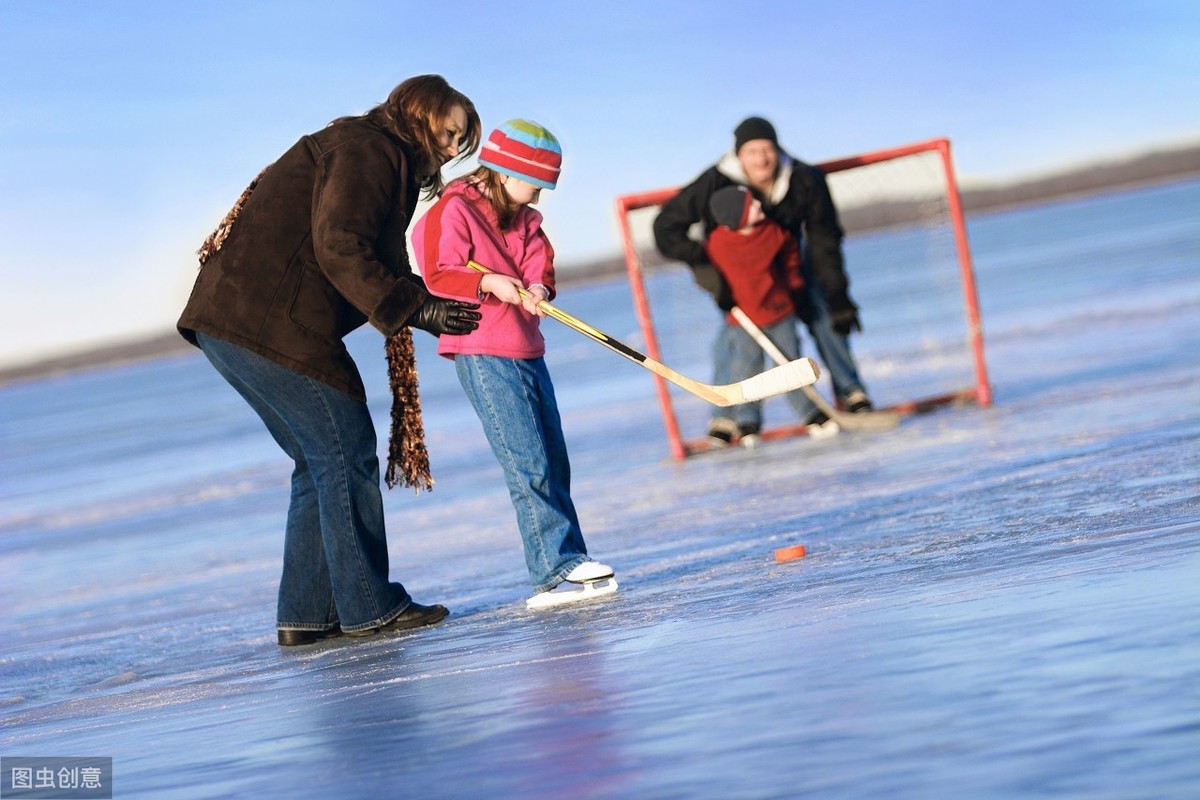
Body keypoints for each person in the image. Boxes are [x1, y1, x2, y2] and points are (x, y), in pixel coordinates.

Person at [177, 75, 485, 646]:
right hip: (268, 321)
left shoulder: (370, 151)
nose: (449, 149)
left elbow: (363, 253)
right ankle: (369, 606)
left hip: (236, 319)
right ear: (417, 114)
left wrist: (426, 302)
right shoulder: (369, 149)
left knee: (317, 460)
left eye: (458, 141)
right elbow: (341, 246)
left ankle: (306, 616)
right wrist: (416, 307)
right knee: (344, 448)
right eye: (447, 133)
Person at [412, 119, 617, 609]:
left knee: (554, 457)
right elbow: (437, 272)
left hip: (526, 344)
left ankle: (570, 557)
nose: (539, 198)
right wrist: (488, 284)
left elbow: (537, 259)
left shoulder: (525, 218)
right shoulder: (454, 209)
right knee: (527, 459)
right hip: (483, 348)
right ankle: (553, 569)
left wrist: (538, 287)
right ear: (505, 172)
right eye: (535, 185)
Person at [653, 116, 874, 444]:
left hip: (789, 267)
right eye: (752, 151)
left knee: (826, 312)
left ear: (777, 148)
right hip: (738, 278)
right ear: (739, 155)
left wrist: (838, 293)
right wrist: (707, 266)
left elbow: (823, 239)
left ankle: (851, 392)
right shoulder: (715, 181)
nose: (761, 159)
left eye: (767, 149)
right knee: (735, 341)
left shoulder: (803, 178)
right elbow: (665, 228)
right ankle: (727, 418)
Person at [701, 185, 836, 447]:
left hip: (779, 312)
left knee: (789, 365)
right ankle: (747, 421)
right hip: (743, 320)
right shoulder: (718, 243)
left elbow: (791, 261)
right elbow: (710, 274)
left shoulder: (773, 232)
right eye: (751, 205)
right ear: (735, 215)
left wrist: (796, 289)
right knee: (746, 370)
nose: (759, 206)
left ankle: (810, 413)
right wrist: (719, 291)